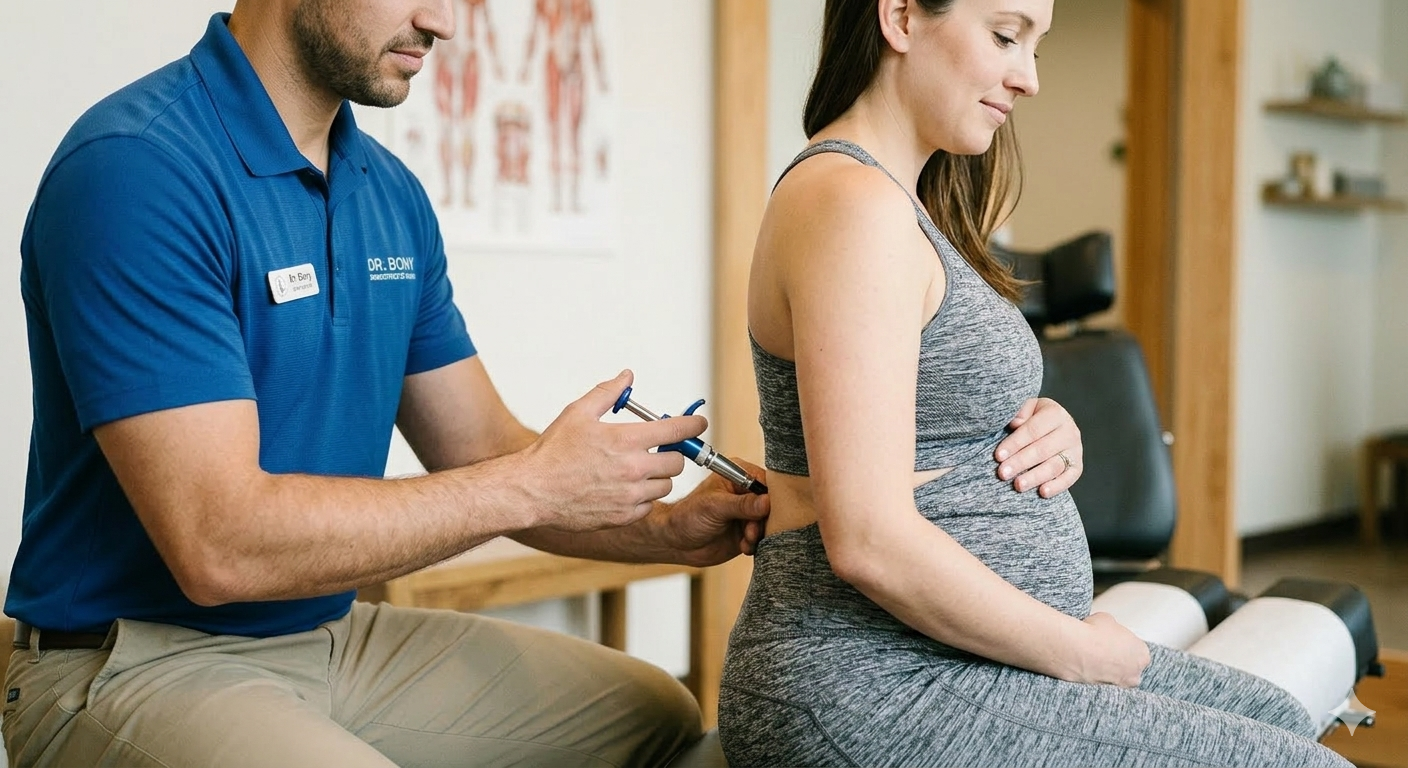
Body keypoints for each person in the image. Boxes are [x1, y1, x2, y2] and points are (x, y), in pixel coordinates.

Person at [3, 1, 1085, 766]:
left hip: (326, 637)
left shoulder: (383, 192)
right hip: (133, 659)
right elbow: (218, 545)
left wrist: (659, 530)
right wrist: (535, 484)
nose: (444, 20)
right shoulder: (139, 169)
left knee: (658, 719)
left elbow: (477, 448)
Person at [716, 1, 1353, 766]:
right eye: (1005, 36)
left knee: (1277, 715)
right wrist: (1082, 654)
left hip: (952, 655)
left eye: (1037, 48)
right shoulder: (851, 204)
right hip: (871, 679)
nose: (1029, 79)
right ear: (900, 17)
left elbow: (926, 414)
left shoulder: (905, 202)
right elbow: (868, 541)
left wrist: (1037, 423)